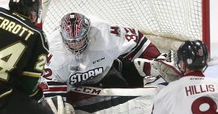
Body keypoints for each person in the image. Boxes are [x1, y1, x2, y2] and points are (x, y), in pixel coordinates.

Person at [43, 12, 181, 97]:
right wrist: (57, 111)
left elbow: (138, 41)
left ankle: (144, 68)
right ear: (62, 37)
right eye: (72, 42)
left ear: (87, 33)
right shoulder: (52, 52)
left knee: (123, 87)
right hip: (73, 89)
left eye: (79, 40)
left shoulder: (104, 32)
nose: (76, 45)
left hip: (104, 73)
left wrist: (156, 58)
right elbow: (50, 89)